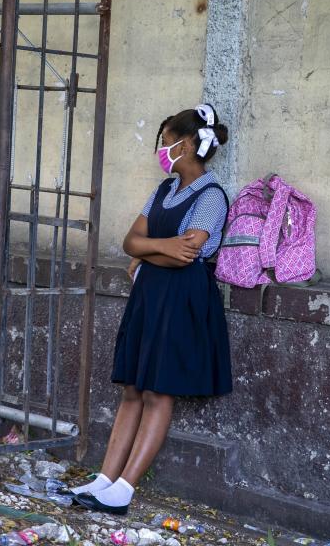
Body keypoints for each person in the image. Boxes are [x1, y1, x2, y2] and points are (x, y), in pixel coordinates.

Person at [70, 104, 233, 515]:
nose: (163, 151)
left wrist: (147, 254)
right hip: (150, 295)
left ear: (190, 144)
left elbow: (188, 254)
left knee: (159, 392)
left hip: (182, 298)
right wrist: (156, 249)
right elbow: (131, 241)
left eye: (167, 143)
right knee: (132, 389)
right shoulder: (163, 190)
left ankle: (125, 488)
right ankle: (104, 478)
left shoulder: (212, 197)